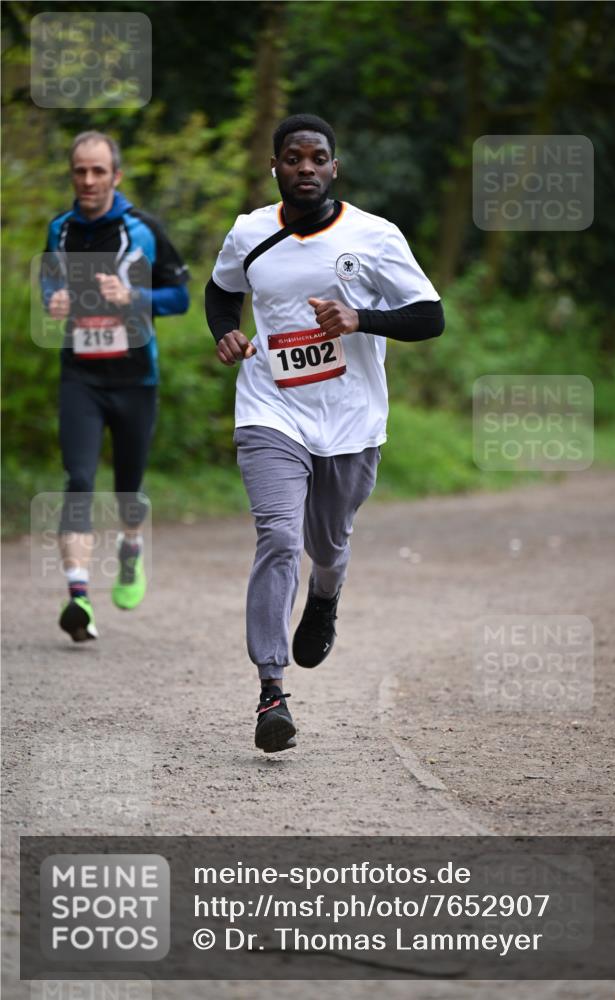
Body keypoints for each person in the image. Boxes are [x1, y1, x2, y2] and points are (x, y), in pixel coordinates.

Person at [205, 113, 444, 753]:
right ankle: (271, 690)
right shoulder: (250, 232)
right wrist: (225, 331)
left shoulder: (375, 236)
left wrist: (360, 318)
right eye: (293, 158)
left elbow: (430, 316)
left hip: (350, 419)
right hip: (270, 409)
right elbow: (220, 292)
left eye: (317, 158)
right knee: (280, 537)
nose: (305, 168)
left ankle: (326, 595)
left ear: (334, 168)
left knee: (328, 543)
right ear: (275, 167)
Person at [43, 131, 189, 642]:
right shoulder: (59, 229)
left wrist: (134, 296)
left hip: (135, 378)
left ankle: (131, 546)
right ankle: (78, 596)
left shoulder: (144, 230)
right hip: (79, 375)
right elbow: (49, 282)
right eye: (79, 170)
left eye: (98, 170)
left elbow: (180, 297)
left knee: (129, 489)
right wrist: (53, 300)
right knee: (79, 478)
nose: (88, 180)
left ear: (116, 175)